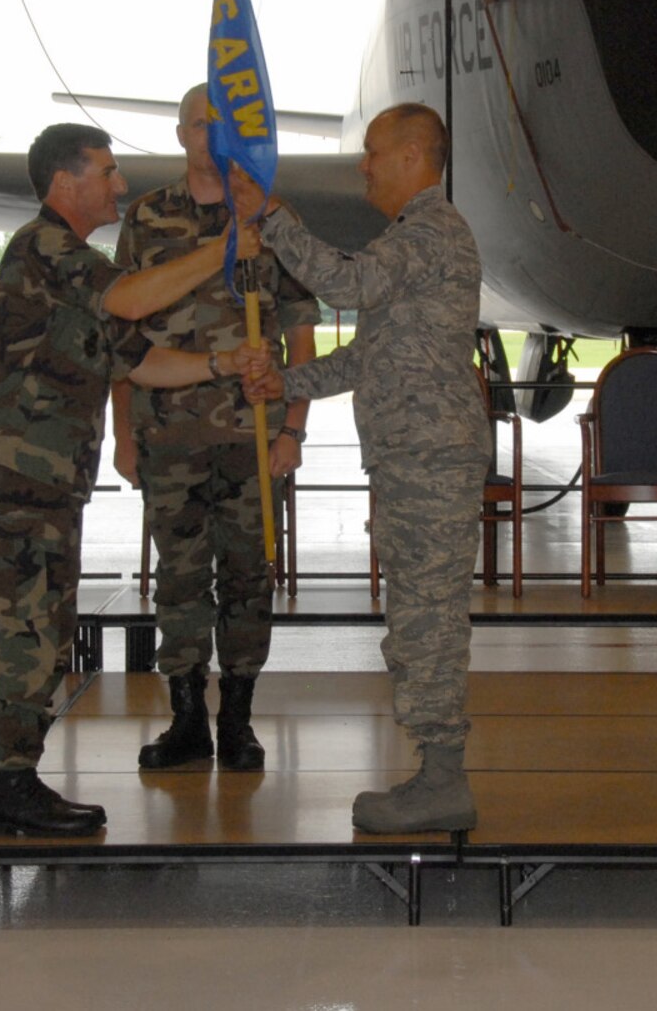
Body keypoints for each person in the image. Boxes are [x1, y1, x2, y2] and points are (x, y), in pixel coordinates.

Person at [0, 122, 267, 837]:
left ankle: (17, 776)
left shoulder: (81, 270)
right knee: (23, 626)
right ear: (66, 183)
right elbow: (132, 300)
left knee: (44, 622)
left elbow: (140, 359)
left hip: (45, 479)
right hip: (13, 474)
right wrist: (222, 250)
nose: (119, 185)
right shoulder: (45, 248)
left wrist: (224, 367)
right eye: (106, 171)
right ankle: (9, 782)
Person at [233, 102, 490, 833]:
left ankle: (444, 779)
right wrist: (287, 382)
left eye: (373, 152)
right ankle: (436, 769)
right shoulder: (413, 239)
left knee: (427, 620)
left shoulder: (432, 231)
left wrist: (273, 215)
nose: (362, 166)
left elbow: (343, 285)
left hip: (429, 457)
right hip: (414, 458)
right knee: (416, 615)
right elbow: (371, 356)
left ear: (413, 157)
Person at [110, 84, 320, 772]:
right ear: (179, 135)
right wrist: (124, 433)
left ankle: (238, 717)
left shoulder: (269, 217)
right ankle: (186, 718)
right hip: (167, 435)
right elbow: (121, 331)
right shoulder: (145, 217)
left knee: (248, 579)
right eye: (200, 125)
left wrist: (294, 429)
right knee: (178, 581)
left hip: (251, 438)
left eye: (224, 126)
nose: (212, 137)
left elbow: (302, 334)